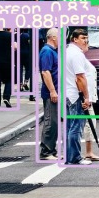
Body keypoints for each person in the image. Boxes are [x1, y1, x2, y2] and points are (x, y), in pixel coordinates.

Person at [62, 27, 92, 164]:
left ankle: (68, 156)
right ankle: (75, 157)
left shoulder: (67, 52)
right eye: (82, 38)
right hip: (76, 95)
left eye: (86, 38)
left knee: (69, 127)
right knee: (76, 127)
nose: (85, 41)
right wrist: (86, 97)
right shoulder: (77, 55)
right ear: (75, 39)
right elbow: (80, 77)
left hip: (68, 93)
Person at [38, 29, 61, 159]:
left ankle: (51, 150)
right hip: (50, 93)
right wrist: (52, 91)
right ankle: (46, 152)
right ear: (53, 37)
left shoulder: (52, 51)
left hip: (54, 92)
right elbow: (45, 72)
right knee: (50, 122)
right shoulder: (47, 51)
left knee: (54, 123)